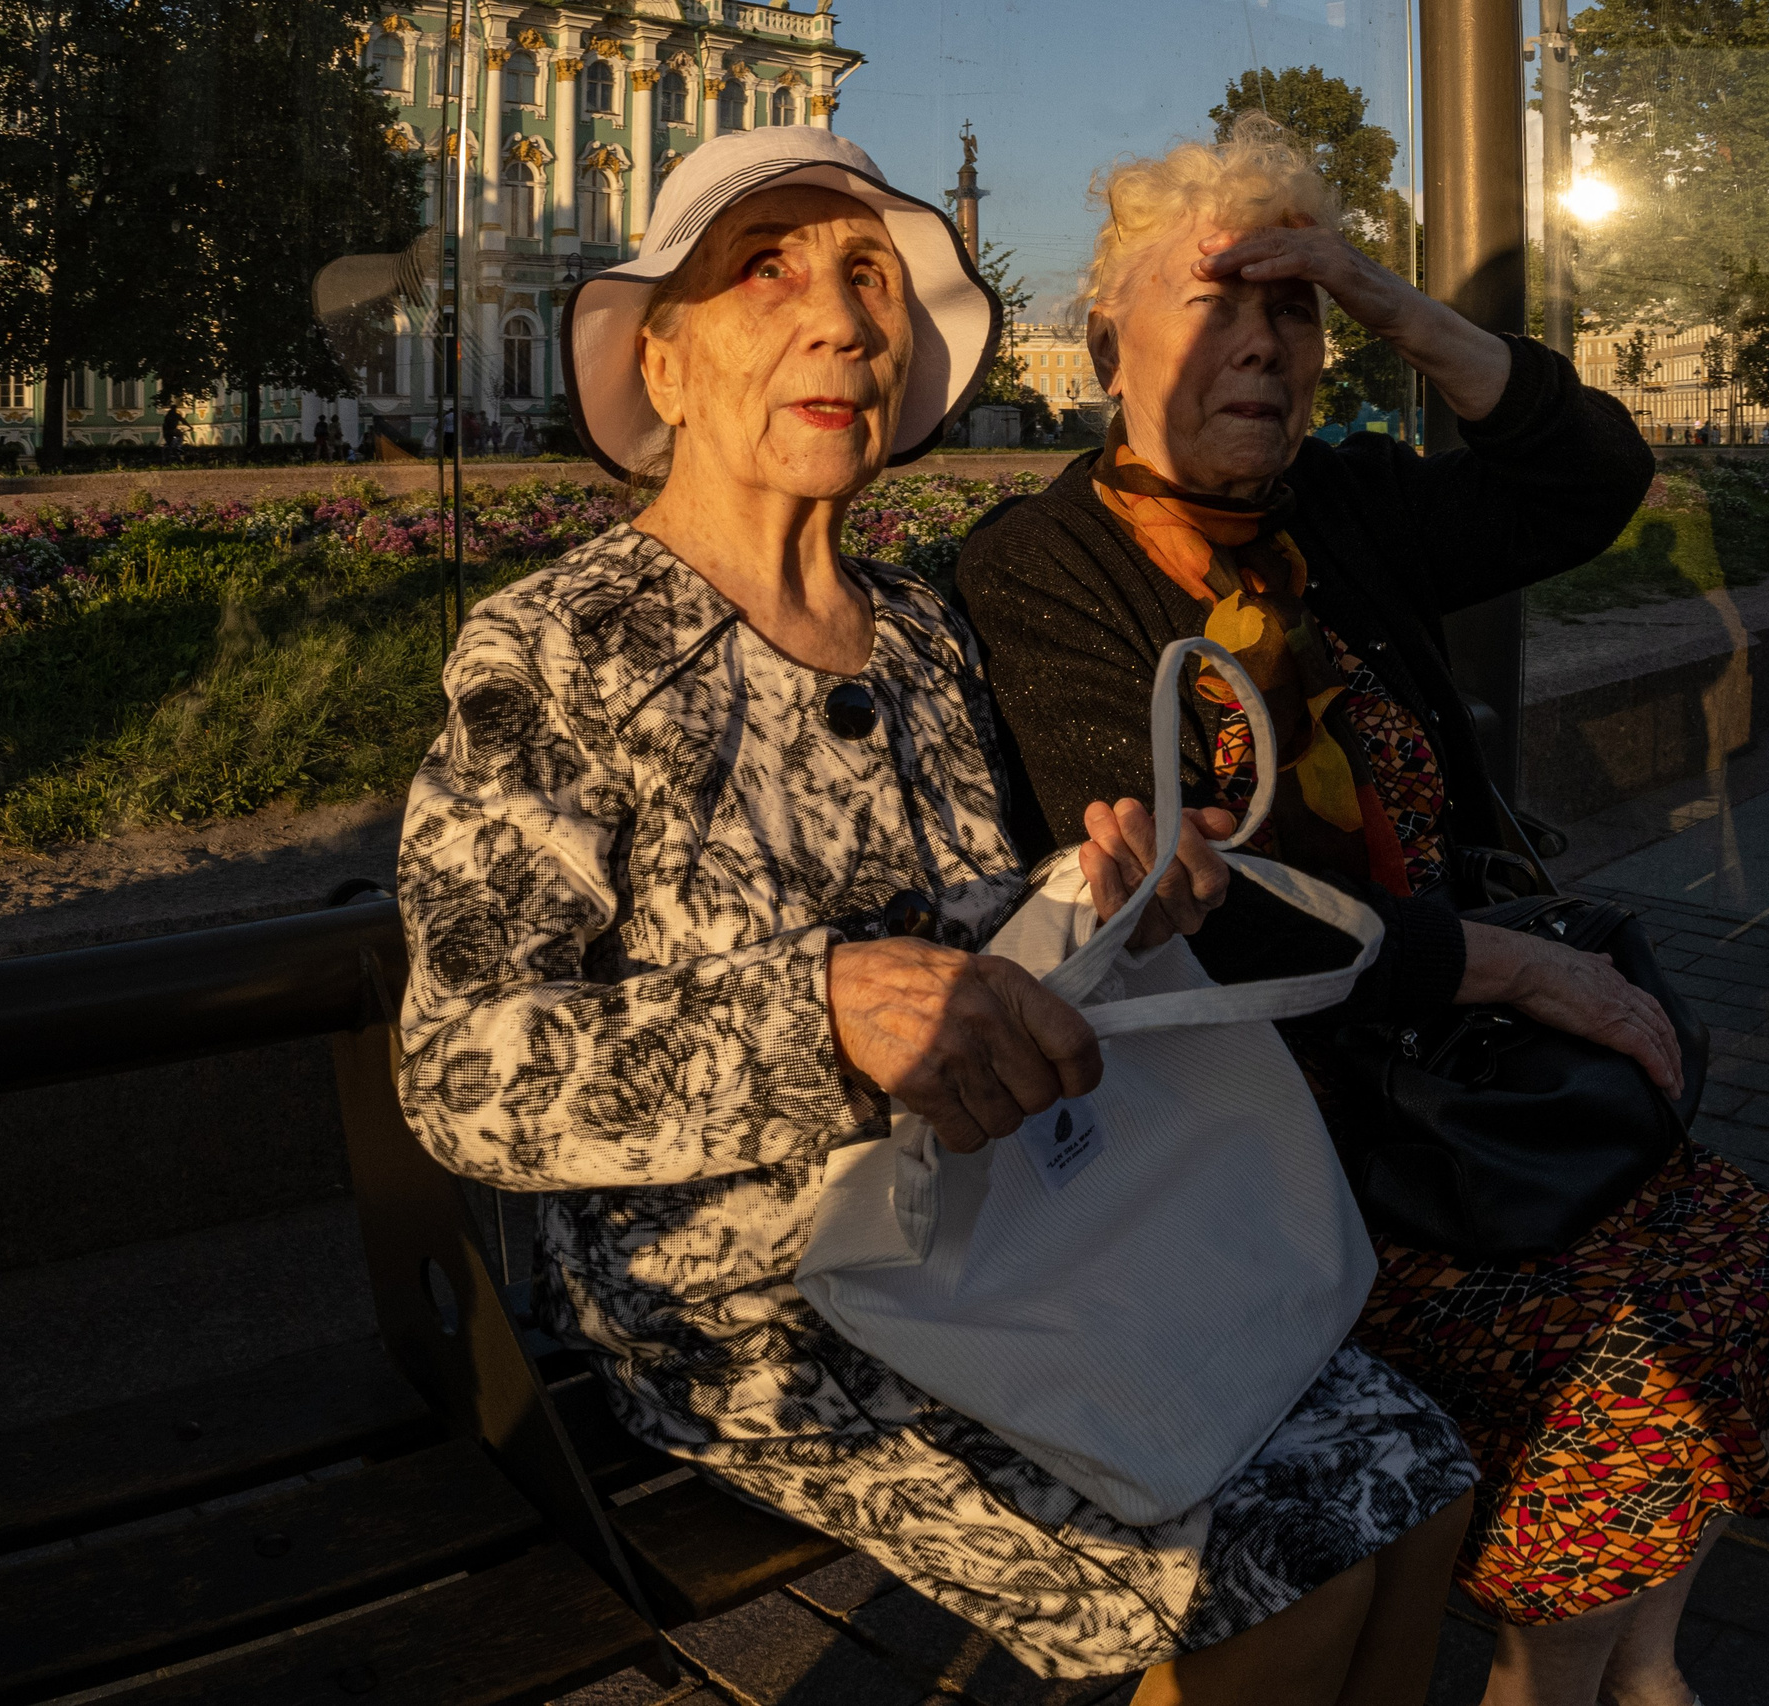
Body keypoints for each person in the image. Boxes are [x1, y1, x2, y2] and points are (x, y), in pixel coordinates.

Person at [393, 126, 1478, 1706]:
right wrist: (824, 1010)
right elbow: (465, 1070)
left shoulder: (917, 629)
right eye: (766, 272)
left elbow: (980, 936)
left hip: (1007, 1231)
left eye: (868, 276)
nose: (841, 316)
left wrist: (1109, 901)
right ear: (665, 364)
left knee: (1421, 1476)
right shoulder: (560, 646)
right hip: (751, 1298)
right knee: (1280, 1564)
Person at [957, 115, 1769, 1706]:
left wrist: (1391, 301)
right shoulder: (1043, 566)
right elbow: (1195, 916)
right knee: (1620, 1363)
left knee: (1757, 1262)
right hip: (1265, 1137)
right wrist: (1507, 968)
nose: (1264, 344)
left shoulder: (1341, 507)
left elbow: (1591, 478)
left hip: (1449, 1088)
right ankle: (1558, 1681)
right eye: (1216, 300)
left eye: (1294, 309)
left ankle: (1632, 1659)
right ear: (1107, 341)